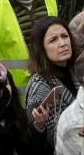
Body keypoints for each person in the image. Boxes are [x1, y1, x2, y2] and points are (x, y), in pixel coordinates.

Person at [21, 17, 79, 146]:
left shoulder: (76, 71)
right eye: (53, 40)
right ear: (42, 49)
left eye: (65, 36)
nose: (62, 43)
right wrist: (39, 126)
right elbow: (33, 144)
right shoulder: (39, 85)